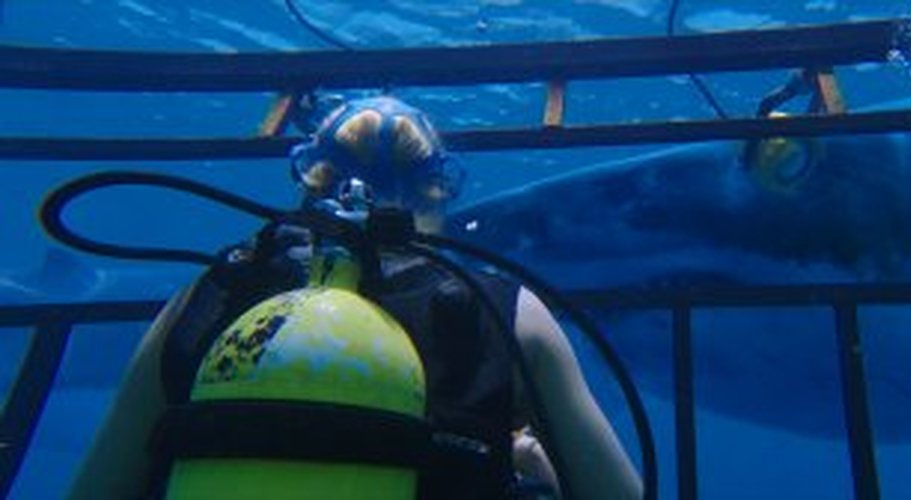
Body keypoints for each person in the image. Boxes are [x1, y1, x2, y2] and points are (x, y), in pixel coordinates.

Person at [67, 95, 643, 499]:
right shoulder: (505, 312)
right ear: (438, 191)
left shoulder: (213, 293)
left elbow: (98, 487)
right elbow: (619, 494)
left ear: (309, 180)